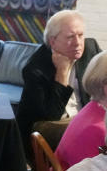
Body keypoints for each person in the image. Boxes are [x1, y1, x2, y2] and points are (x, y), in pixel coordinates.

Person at [16, 9, 101, 140]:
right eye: (70, 37)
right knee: (89, 134)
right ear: (53, 41)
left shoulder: (91, 48)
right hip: (46, 127)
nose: (78, 43)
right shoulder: (35, 69)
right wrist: (62, 73)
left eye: (80, 35)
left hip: (81, 118)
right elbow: (52, 115)